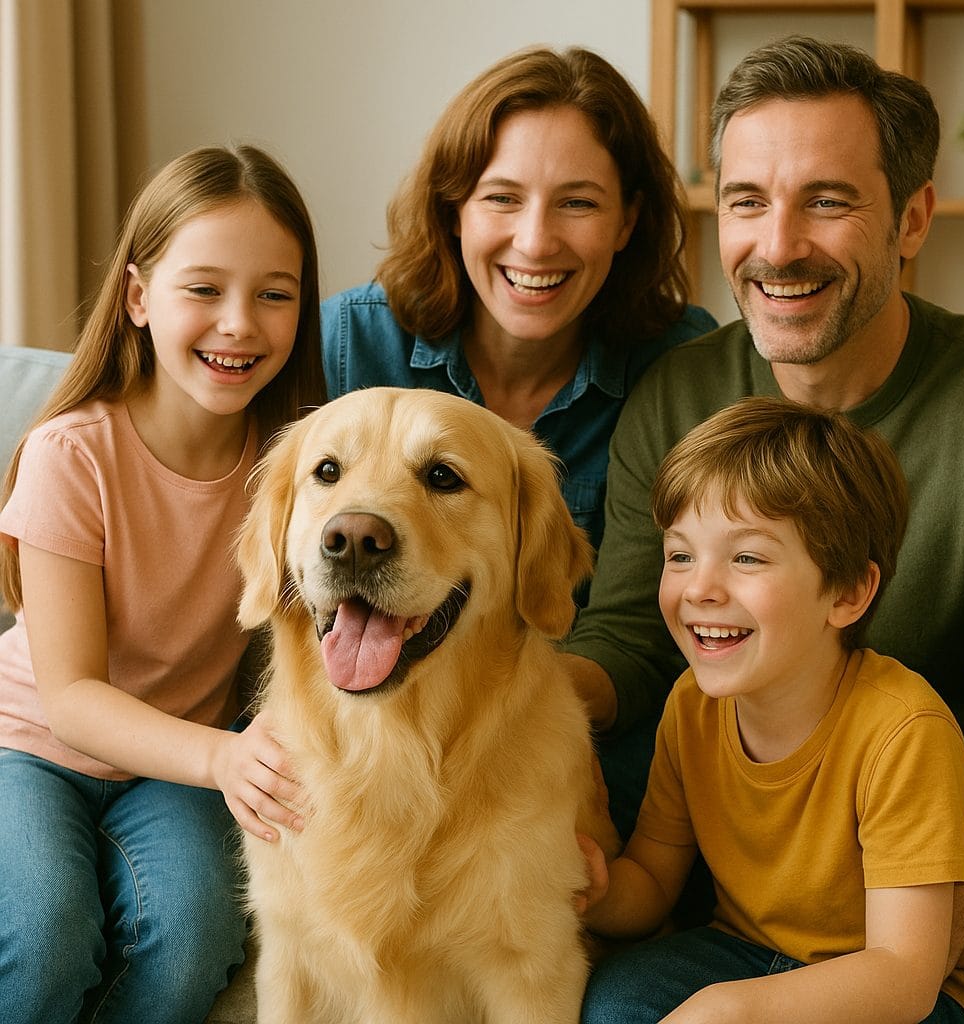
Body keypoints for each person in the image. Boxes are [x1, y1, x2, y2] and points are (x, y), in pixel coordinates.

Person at [562, 34, 964, 1016]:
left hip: (953, 807)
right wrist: (511, 699)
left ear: (911, 219)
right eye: (745, 201)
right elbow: (635, 642)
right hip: (763, 815)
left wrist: (941, 919)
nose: (775, 247)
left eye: (826, 199)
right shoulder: (679, 388)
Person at [0, 144, 326, 1024]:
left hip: (171, 765)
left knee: (193, 940)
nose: (239, 324)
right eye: (203, 289)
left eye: (274, 294)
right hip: (29, 747)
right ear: (139, 296)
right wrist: (223, 758)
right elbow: (69, 697)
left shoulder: (297, 466)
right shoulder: (71, 453)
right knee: (44, 935)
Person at [579, 397, 964, 1024]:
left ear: (849, 592)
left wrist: (735, 1010)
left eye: (746, 557)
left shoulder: (905, 732)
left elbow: (905, 975)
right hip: (742, 953)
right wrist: (598, 889)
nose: (699, 587)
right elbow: (653, 880)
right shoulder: (690, 706)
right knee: (614, 1001)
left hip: (892, 988)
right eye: (680, 555)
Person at [320, 45, 716, 558]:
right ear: (454, 210)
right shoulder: (345, 344)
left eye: (578, 203)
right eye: (502, 198)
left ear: (627, 221)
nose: (535, 242)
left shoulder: (685, 369)